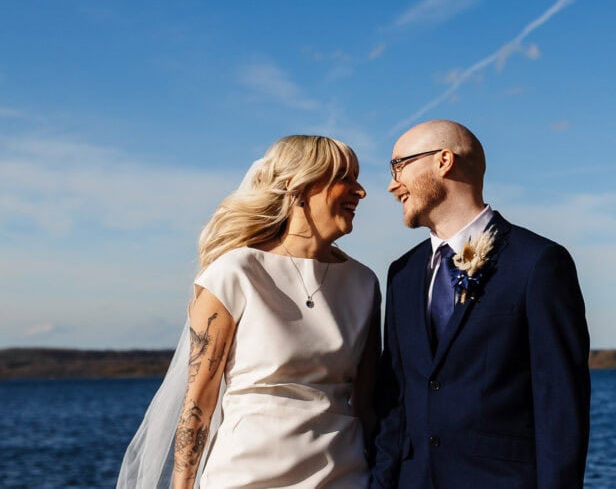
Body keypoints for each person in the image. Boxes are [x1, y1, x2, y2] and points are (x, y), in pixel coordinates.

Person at [118, 135, 380, 489]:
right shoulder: (234, 273)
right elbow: (199, 402)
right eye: (344, 177)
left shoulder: (364, 283)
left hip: (343, 476)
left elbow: (368, 400)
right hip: (246, 476)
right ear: (298, 187)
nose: (360, 191)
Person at [372, 120, 590, 489]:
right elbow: (394, 402)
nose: (393, 184)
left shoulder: (537, 263)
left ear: (443, 161)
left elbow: (560, 407)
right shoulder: (402, 274)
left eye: (399, 166)